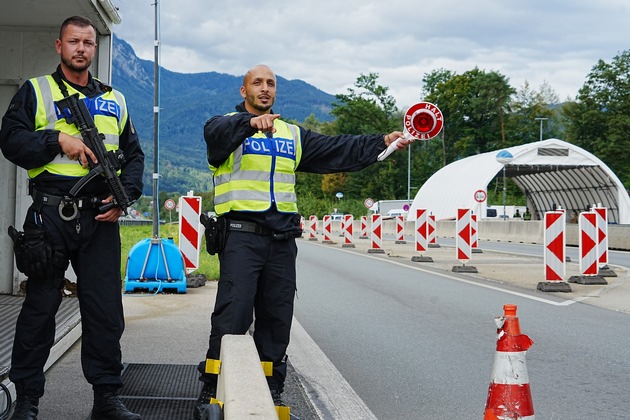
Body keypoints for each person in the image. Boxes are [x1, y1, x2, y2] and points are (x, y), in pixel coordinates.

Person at [194, 64, 412, 418]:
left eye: (271, 84)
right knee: (231, 317)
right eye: (257, 83)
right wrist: (248, 124)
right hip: (241, 238)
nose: (265, 89)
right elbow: (215, 135)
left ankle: (271, 389)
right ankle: (211, 389)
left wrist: (382, 142)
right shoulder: (225, 126)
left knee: (277, 320)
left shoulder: (292, 134)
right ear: (243, 91)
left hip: (281, 241)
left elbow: (339, 149)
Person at [0, 16, 144, 420]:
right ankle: (26, 401)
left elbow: (134, 157)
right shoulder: (36, 90)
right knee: (40, 310)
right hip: (50, 216)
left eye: (88, 43)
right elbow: (10, 139)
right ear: (59, 46)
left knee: (104, 312)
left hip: (101, 216)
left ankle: (107, 400)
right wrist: (57, 139)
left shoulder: (116, 99)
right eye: (74, 42)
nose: (81, 48)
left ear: (94, 49)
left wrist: (125, 197)